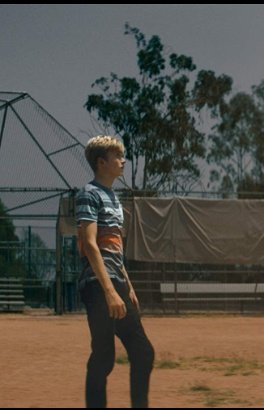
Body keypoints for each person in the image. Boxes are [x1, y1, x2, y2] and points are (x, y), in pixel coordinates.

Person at [76, 135, 155, 408]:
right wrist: (109, 291)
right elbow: (89, 243)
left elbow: (115, 248)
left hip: (115, 280)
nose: (123, 161)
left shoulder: (113, 198)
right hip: (98, 284)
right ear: (101, 162)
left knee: (142, 352)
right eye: (118, 157)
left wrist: (128, 286)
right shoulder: (89, 193)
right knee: (105, 356)